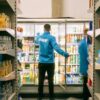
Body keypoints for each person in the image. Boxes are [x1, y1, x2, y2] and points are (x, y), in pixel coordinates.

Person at [36, 24, 69, 100]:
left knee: (40, 80)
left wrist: (38, 34)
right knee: (51, 81)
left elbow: (36, 39)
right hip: (50, 63)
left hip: (41, 62)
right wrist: (64, 54)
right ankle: (51, 97)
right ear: (50, 29)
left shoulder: (39, 37)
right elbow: (56, 48)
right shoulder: (52, 38)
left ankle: (39, 97)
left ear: (44, 29)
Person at [78, 28, 92, 100]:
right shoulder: (87, 43)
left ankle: (85, 97)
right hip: (88, 66)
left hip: (83, 66)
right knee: (88, 85)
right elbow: (88, 55)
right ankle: (86, 97)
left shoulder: (81, 42)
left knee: (85, 84)